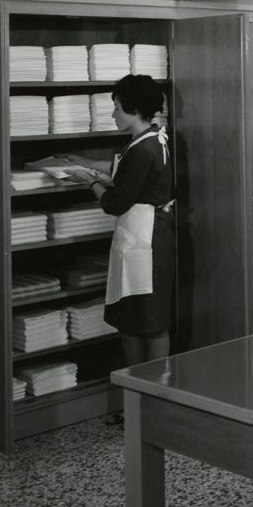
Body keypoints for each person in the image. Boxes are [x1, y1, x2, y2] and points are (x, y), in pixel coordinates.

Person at [65, 74, 175, 367]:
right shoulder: (153, 138)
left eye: (116, 107)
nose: (113, 114)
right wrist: (88, 163)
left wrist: (89, 182)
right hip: (152, 236)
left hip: (144, 242)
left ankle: (143, 391)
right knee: (146, 318)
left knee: (143, 322)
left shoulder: (142, 150)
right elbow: (123, 167)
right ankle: (149, 390)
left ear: (133, 108)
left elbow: (114, 203)